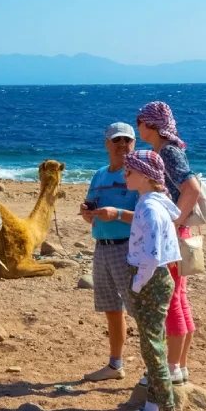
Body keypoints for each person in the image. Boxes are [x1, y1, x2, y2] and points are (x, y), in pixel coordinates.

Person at [115, 150, 185, 411]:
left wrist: (137, 284)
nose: (124, 175)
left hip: (151, 280)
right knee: (151, 345)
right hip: (155, 279)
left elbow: (153, 255)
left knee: (153, 349)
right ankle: (151, 409)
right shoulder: (152, 203)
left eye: (129, 171)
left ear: (144, 175)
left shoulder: (149, 209)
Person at [137, 101, 200, 385]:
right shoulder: (166, 151)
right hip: (179, 234)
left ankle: (171, 367)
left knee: (172, 300)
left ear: (151, 125)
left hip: (173, 236)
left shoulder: (168, 152)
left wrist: (173, 224)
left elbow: (191, 188)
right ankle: (180, 366)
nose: (137, 125)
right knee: (180, 299)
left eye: (140, 120)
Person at [81, 123, 139, 382]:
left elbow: (147, 217)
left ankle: (154, 372)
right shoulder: (100, 175)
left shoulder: (137, 176)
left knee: (140, 310)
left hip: (127, 248)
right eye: (117, 140)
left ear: (134, 144)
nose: (122, 145)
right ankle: (115, 365)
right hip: (101, 248)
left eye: (127, 140)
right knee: (112, 310)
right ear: (106, 144)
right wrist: (87, 212)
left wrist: (116, 214)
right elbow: (92, 211)